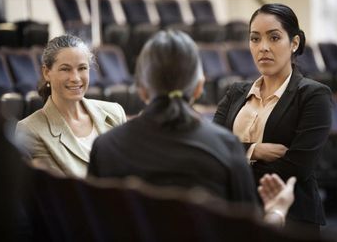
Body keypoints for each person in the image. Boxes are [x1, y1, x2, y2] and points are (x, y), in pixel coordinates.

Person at [88, 30, 296, 227]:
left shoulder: (105, 147)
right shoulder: (226, 146)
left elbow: (94, 227)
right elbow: (249, 235)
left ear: (141, 90)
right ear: (199, 86)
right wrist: (276, 212)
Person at [213, 3, 331, 236]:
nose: (263, 47)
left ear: (294, 43)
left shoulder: (313, 95)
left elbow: (298, 168)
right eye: (255, 39)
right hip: (235, 215)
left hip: (291, 220)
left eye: (274, 38)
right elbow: (213, 146)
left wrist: (231, 168)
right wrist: (254, 151)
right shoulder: (236, 91)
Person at [15, 34, 126, 178]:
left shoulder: (115, 113)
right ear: (47, 72)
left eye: (82, 68)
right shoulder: (30, 130)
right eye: (65, 69)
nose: (75, 78)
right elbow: (53, 190)